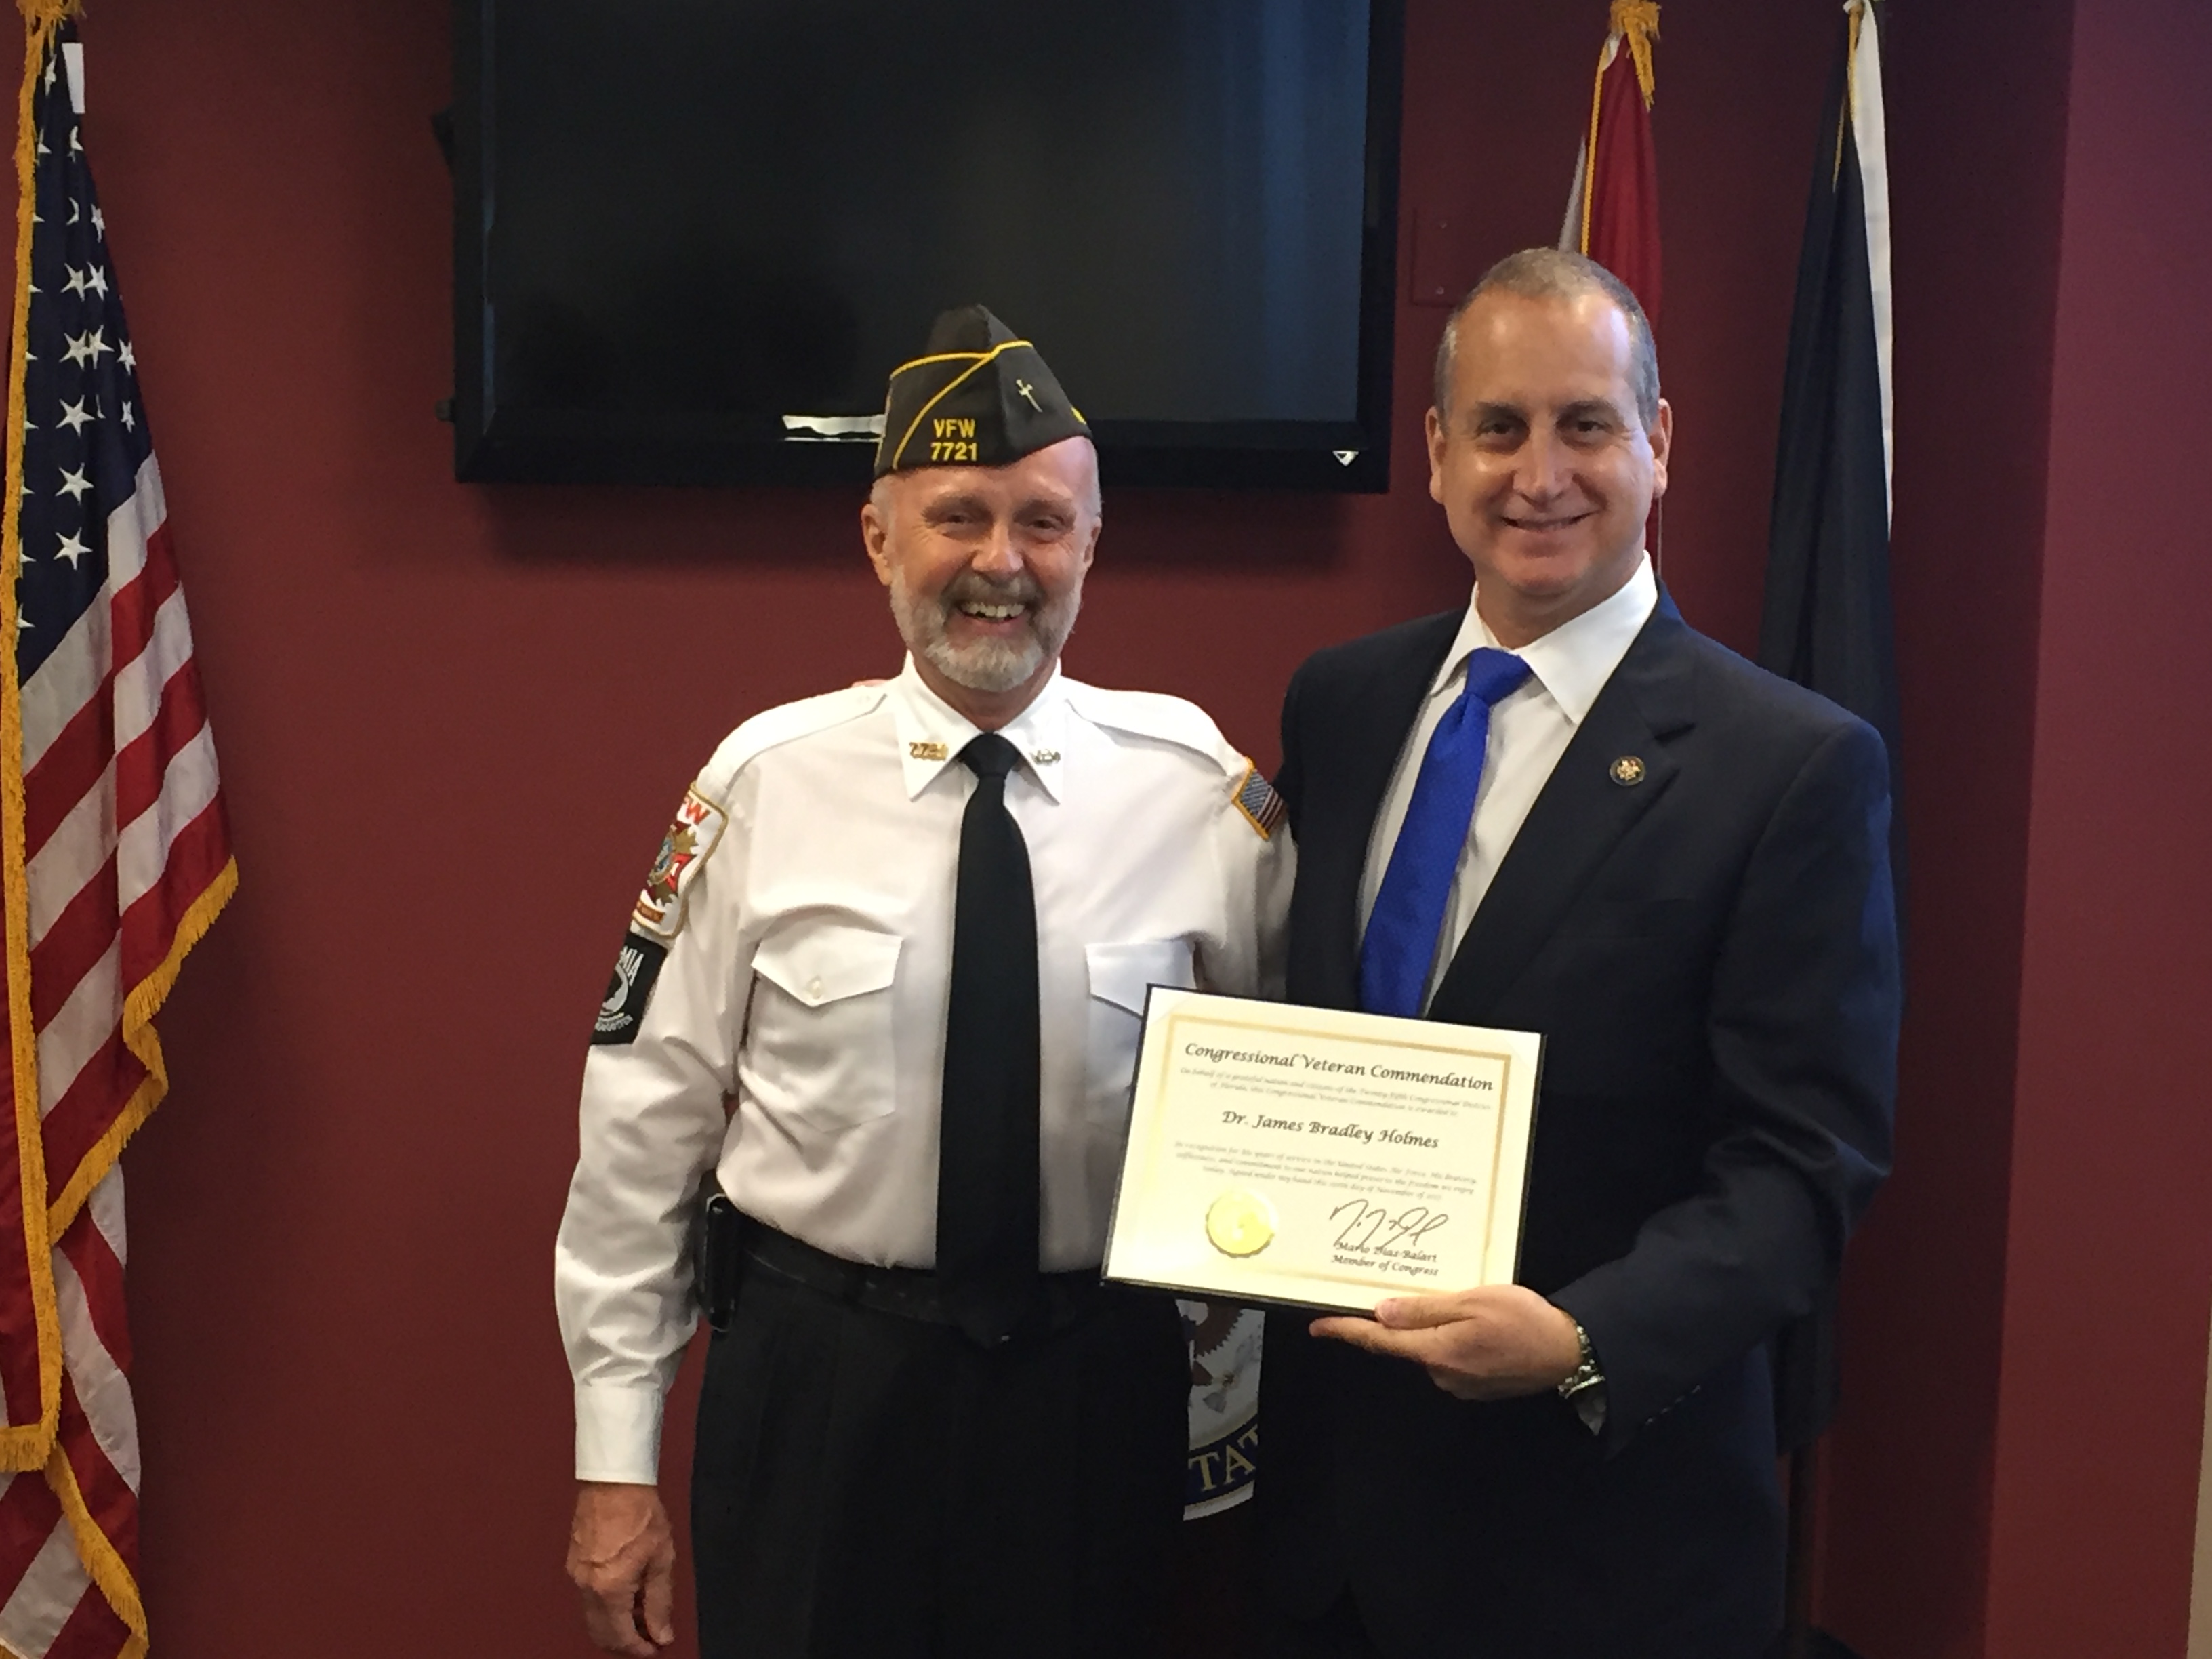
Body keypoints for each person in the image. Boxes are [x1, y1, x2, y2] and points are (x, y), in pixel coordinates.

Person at [552, 305, 1290, 1659]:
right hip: (824, 1384)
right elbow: (640, 1140)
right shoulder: (761, 786)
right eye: (958, 516)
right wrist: (615, 1457)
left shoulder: (1202, 797)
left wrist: (1236, 1411)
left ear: (1091, 547)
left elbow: (1284, 1095)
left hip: (1097, 1393)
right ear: (879, 538)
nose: (1000, 563)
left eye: (1043, 523)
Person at [1256, 248, 1900, 1658]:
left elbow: (1804, 1165)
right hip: (1333, 1530)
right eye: (1497, 427)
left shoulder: (1788, 766)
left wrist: (1582, 1338)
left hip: (1603, 1539)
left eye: (1585, 424)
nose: (1537, 471)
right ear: (1435, 455)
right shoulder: (1347, 703)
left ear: (1657, 444)